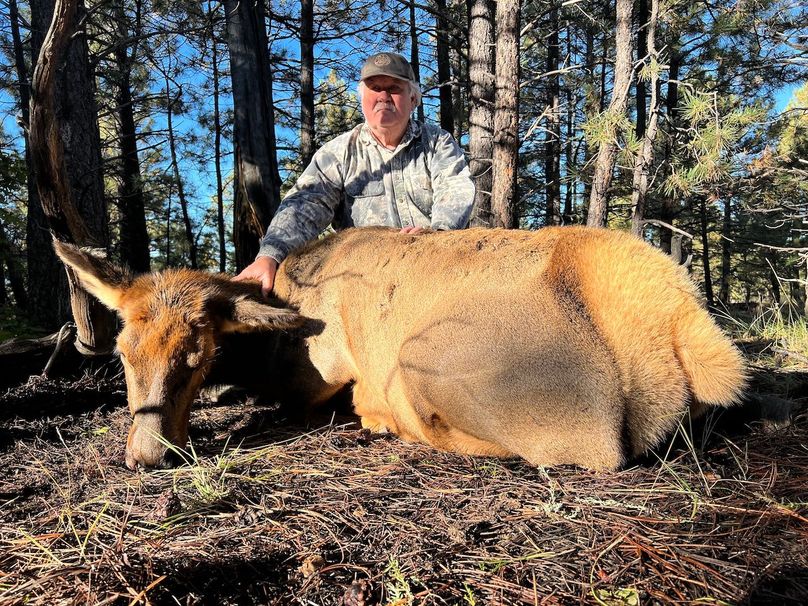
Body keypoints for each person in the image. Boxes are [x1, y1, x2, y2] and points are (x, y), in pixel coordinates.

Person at [235, 51, 475, 296]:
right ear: (362, 98)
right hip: (364, 288)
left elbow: (454, 187)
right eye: (374, 88)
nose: (383, 96)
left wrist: (439, 235)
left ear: (413, 98)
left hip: (432, 271)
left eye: (394, 88)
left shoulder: (438, 142)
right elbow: (305, 204)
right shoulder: (338, 153)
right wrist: (270, 256)